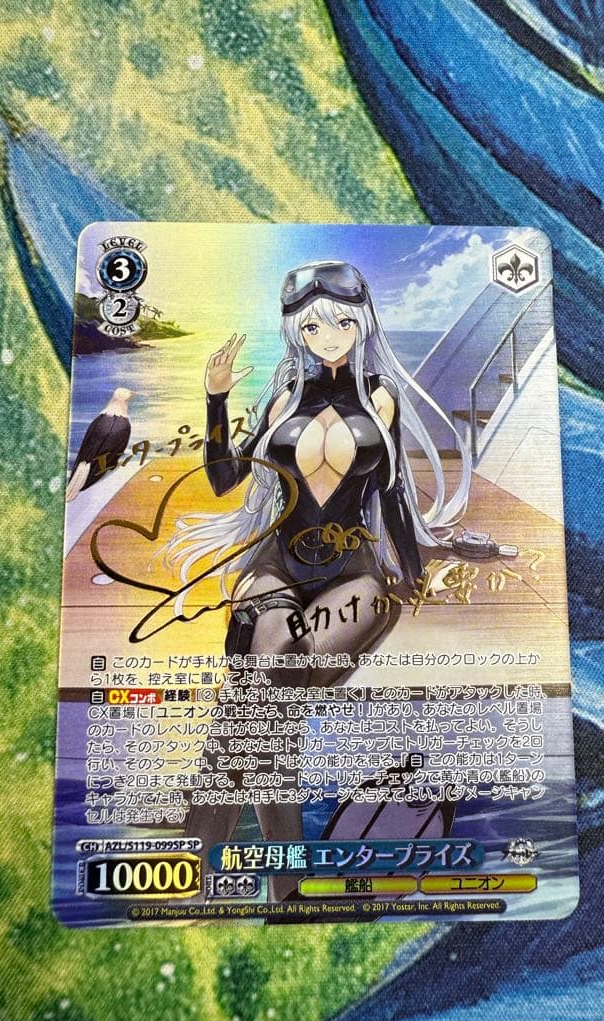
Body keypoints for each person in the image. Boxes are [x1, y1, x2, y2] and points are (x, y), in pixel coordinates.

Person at [163, 261, 472, 898]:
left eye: (338, 323)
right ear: (295, 332)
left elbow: (394, 498)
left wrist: (416, 572)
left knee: (262, 699)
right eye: (310, 326)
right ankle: (282, 888)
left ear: (360, 324)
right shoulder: (282, 398)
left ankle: (201, 863)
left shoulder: (381, 397)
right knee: (271, 692)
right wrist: (216, 399)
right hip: (276, 564)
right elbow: (224, 479)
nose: (326, 336)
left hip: (355, 573)